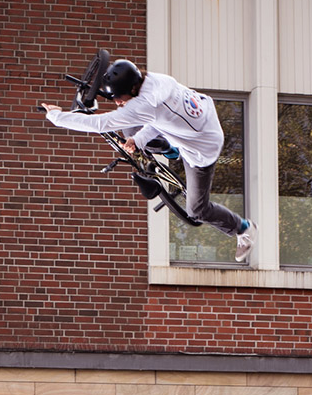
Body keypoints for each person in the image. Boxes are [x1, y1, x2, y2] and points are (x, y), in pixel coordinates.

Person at [40, 58, 258, 262]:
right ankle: (170, 151)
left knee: (197, 210)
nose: (117, 102)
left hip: (202, 147)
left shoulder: (144, 104)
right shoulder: (152, 80)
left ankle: (243, 228)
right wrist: (138, 139)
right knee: (129, 129)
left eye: (119, 97)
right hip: (197, 116)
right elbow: (157, 117)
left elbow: (100, 124)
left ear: (132, 89)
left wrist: (56, 117)